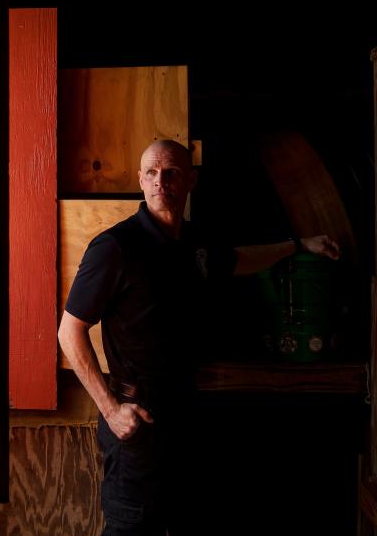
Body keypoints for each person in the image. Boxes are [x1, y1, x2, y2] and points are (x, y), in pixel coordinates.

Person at [58, 139, 340, 535]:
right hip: (135, 420)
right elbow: (69, 332)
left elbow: (239, 259)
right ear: (140, 180)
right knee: (131, 528)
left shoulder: (194, 244)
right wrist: (110, 410)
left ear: (190, 180)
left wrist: (297, 246)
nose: (161, 181)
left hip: (186, 415)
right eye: (152, 173)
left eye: (171, 172)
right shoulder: (115, 247)